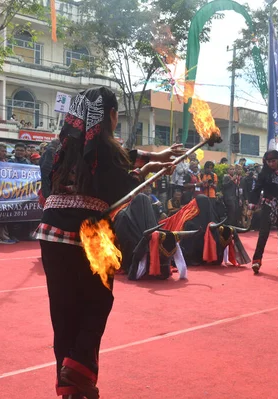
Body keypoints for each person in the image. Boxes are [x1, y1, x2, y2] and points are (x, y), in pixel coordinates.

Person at [36, 87, 183, 399]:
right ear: (111, 115)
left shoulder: (56, 150)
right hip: (91, 233)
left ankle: (71, 388)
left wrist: (152, 161)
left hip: (51, 234)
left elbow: (116, 162)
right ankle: (78, 371)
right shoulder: (108, 152)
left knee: (63, 314)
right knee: (98, 303)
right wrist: (149, 171)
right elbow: (123, 190)